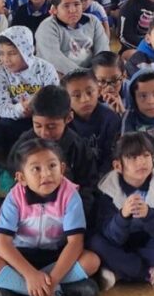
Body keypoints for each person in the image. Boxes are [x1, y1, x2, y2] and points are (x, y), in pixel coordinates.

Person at [0, 138, 100, 296]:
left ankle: (21, 291)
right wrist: (31, 275)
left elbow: (75, 243)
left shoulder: (70, 195)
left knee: (91, 260)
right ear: (21, 178)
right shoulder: (14, 198)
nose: (46, 174)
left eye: (52, 166)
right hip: (22, 256)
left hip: (56, 255)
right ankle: (58, 291)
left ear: (62, 169)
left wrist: (55, 276)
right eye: (36, 169)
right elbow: (2, 244)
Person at [89, 132, 154, 290]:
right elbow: (109, 236)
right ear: (118, 166)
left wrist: (150, 215)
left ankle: (121, 272)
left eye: (146, 156)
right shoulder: (108, 189)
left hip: (149, 243)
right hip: (120, 245)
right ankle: (148, 274)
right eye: (133, 157)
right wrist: (122, 216)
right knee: (96, 243)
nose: (141, 162)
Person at [10, 86, 97, 218]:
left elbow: (88, 183)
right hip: (30, 210)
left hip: (68, 209)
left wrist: (77, 214)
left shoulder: (77, 146)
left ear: (68, 118)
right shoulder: (25, 143)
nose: (44, 133)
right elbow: (14, 173)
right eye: (37, 125)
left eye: (51, 126)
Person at [0, 26, 59, 157]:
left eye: (12, 53)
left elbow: (55, 98)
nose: (6, 59)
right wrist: (21, 108)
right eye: (2, 53)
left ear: (26, 51)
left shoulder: (45, 69)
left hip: (42, 117)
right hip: (13, 119)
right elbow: (2, 108)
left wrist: (35, 107)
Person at [34, 0, 110, 76]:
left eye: (77, 4)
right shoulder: (47, 27)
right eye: (66, 6)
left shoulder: (93, 21)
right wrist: (85, 75)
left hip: (93, 73)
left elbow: (102, 50)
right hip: (61, 75)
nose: (73, 10)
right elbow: (55, 60)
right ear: (54, 9)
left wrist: (98, 72)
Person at [64, 67, 121, 173]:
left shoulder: (111, 119)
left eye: (90, 92)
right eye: (76, 95)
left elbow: (111, 156)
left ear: (99, 91)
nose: (85, 99)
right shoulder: (64, 122)